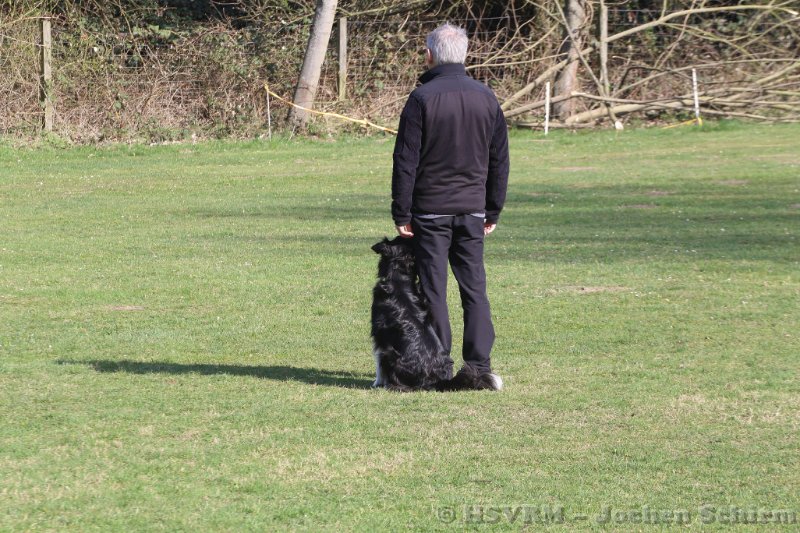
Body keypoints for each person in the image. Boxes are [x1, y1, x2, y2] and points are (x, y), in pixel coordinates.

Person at [390, 23, 510, 388]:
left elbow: (406, 160)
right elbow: (499, 160)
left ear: (429, 55)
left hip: (430, 210)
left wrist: (401, 211)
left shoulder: (421, 99)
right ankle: (479, 366)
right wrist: (493, 208)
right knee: (474, 289)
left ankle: (438, 365)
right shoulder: (487, 97)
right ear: (465, 55)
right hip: (472, 208)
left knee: (434, 290)